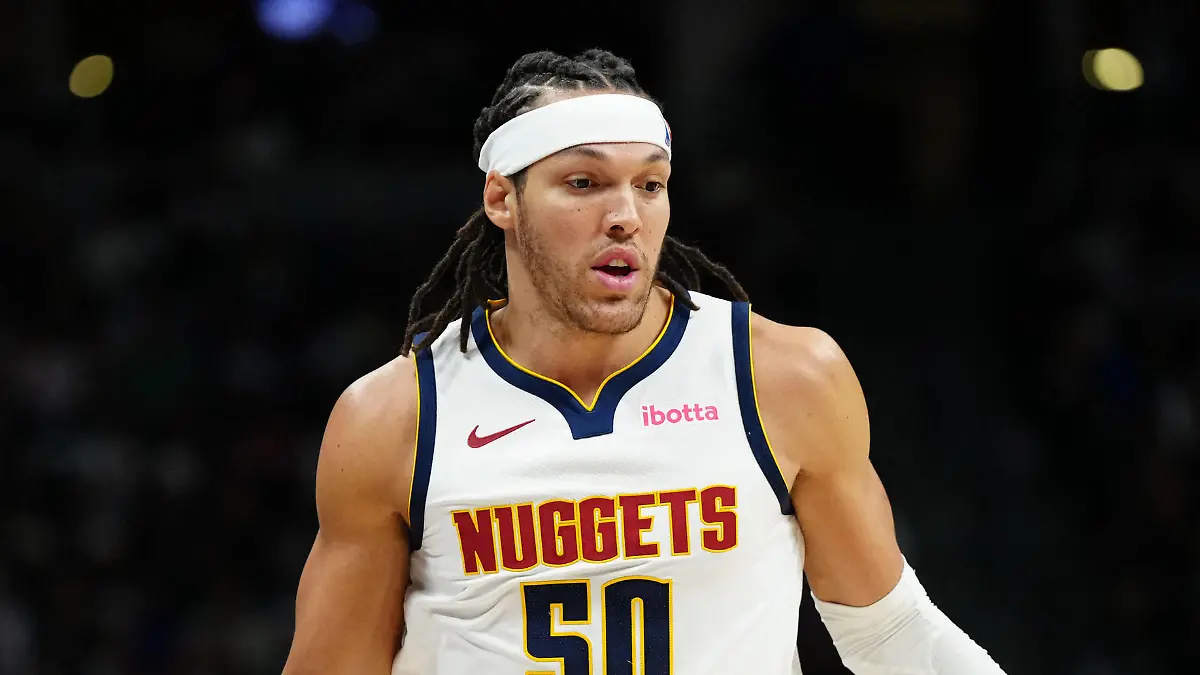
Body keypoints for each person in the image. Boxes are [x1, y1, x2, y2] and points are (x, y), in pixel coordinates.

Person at [281, 48, 1008, 675]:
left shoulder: (782, 376)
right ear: (503, 198)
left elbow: (888, 632)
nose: (626, 213)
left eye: (650, 183)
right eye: (584, 183)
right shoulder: (395, 415)